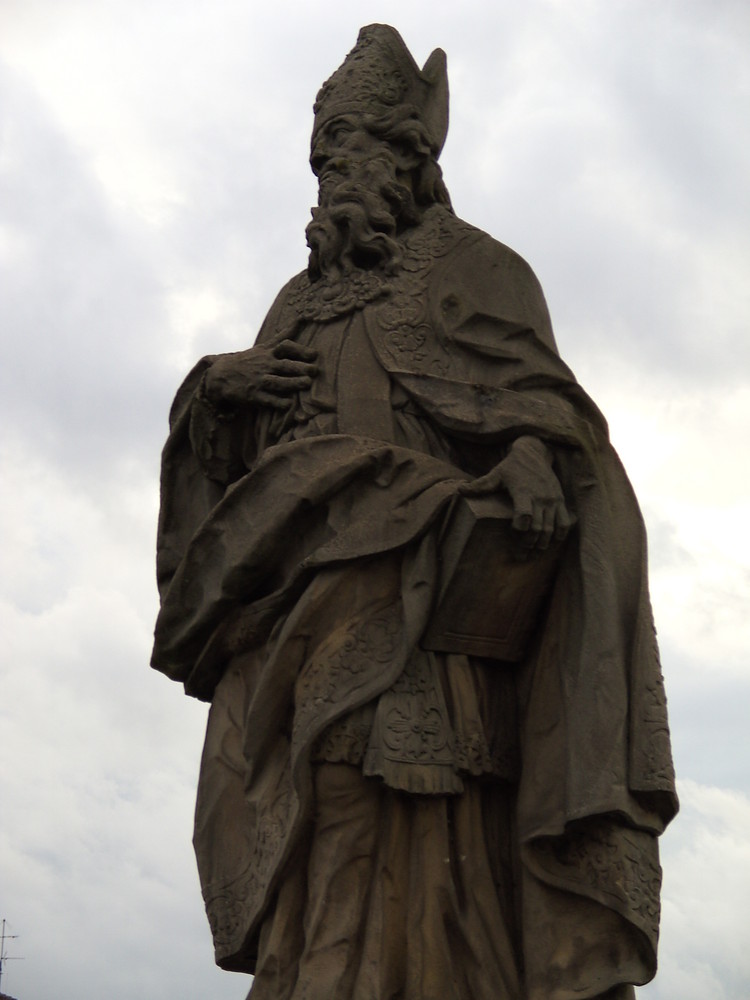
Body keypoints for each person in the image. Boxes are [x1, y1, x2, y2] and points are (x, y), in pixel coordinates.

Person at [152, 24, 677, 1000]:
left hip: (431, 621)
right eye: (325, 156)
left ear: (410, 158)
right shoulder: (294, 308)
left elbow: (551, 423)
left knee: (425, 834)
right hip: (298, 639)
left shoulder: (477, 273)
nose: (333, 176)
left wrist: (527, 459)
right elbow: (239, 504)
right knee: (316, 839)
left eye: (355, 150)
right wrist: (215, 398)